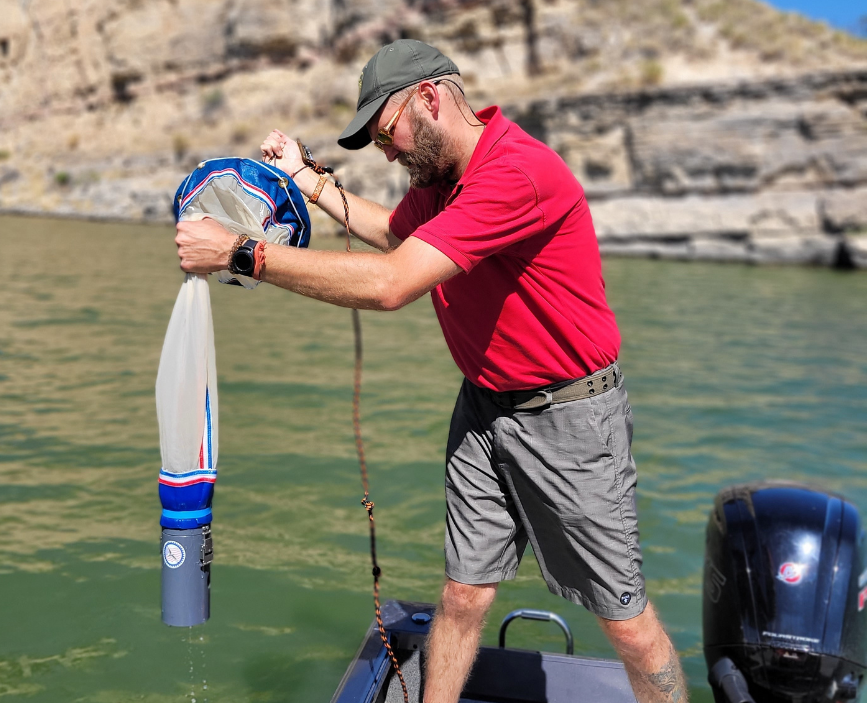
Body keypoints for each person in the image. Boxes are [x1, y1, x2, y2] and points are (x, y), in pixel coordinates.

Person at [175, 39, 688, 703]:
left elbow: (393, 283)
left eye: (386, 133)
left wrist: (243, 254)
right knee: (463, 593)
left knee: (625, 621)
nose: (386, 152)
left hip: (569, 419)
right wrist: (309, 183)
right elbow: (396, 235)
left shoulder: (517, 173)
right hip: (484, 406)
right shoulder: (440, 182)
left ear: (429, 97)